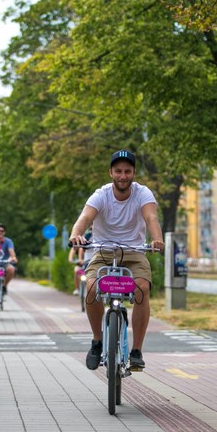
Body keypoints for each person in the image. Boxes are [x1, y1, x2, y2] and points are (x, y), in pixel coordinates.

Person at [69, 150, 165, 371]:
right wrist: (76, 235)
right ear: (111, 172)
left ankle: (136, 351)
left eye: (127, 171)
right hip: (103, 253)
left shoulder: (143, 193)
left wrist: (157, 239)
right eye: (119, 171)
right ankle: (97, 341)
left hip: (134, 253)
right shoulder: (101, 195)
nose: (123, 176)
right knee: (91, 288)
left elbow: (151, 217)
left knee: (141, 288)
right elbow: (85, 217)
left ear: (134, 173)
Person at [68, 227, 93, 295]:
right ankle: (77, 289)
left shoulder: (100, 237)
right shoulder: (87, 237)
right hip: (85, 262)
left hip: (94, 260)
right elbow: (78, 249)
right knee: (77, 270)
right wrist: (79, 259)